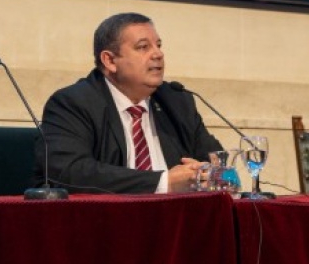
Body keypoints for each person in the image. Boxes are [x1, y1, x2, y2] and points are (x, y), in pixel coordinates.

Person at [36, 12, 223, 194]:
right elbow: (70, 172)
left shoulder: (177, 100)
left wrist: (205, 173)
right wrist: (164, 183)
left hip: (177, 212)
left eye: (158, 45)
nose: (158, 54)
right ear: (110, 60)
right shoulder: (73, 103)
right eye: (143, 47)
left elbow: (217, 161)